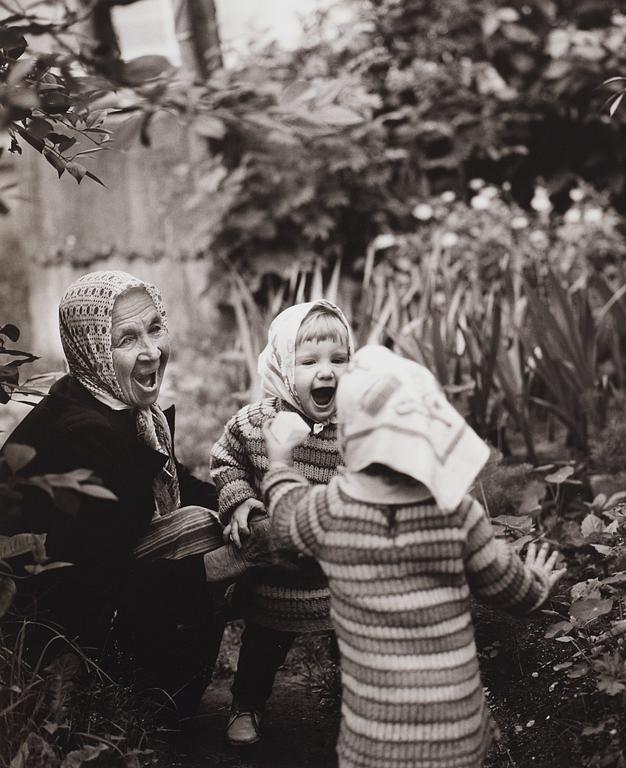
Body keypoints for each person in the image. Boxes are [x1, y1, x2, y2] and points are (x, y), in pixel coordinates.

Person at [260, 345, 566, 768]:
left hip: (374, 744)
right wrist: (538, 584)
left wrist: (279, 463)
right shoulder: (458, 514)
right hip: (456, 738)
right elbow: (506, 588)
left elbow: (284, 523)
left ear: (348, 439)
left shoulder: (331, 510)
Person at [1, 270, 240, 722]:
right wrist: (228, 564)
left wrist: (242, 502)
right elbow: (98, 587)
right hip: (50, 643)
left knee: (221, 519)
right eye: (126, 339)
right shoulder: (85, 439)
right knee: (201, 532)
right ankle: (143, 705)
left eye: (154, 328)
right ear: (92, 349)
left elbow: (176, 482)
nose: (151, 351)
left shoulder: (112, 405)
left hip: (86, 597)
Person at [210, 299, 354, 746]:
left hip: (334, 572)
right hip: (275, 568)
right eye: (309, 361)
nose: (326, 372)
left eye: (338, 359)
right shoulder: (256, 424)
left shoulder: (352, 429)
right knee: (263, 644)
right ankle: (247, 704)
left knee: (352, 648)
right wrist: (239, 504)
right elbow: (225, 461)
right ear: (281, 367)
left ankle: (363, 710)